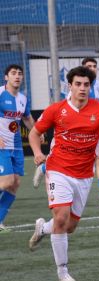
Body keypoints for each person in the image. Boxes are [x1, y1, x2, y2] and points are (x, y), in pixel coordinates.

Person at [27, 66, 99, 281]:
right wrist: (39, 153)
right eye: (77, 84)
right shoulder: (56, 110)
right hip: (58, 169)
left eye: (86, 85)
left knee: (69, 227)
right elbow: (34, 133)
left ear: (90, 87)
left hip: (84, 175)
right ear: (69, 86)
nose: (82, 88)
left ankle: (42, 228)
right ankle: (63, 273)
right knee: (61, 218)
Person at [33, 57, 99, 206]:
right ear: (71, 86)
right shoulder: (71, 97)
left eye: (94, 66)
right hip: (69, 135)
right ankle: (45, 166)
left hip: (91, 133)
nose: (92, 68)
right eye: (89, 66)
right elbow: (66, 111)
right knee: (71, 155)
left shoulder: (96, 89)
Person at [0, 64, 35, 233]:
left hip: (16, 147)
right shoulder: (0, 94)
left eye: (20, 73)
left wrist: (37, 132)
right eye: (13, 73)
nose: (17, 76)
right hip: (1, 145)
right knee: (6, 181)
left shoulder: (22, 98)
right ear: (6, 77)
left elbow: (27, 118)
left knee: (14, 184)